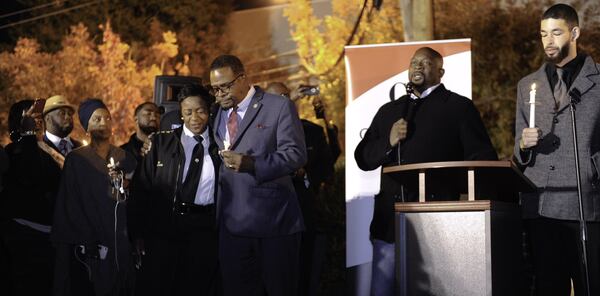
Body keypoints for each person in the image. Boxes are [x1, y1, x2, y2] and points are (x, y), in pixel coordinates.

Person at [354, 47, 497, 296]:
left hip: (438, 225)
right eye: (414, 62)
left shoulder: (458, 107)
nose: (418, 66)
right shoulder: (390, 111)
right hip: (389, 225)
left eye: (426, 62)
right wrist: (387, 142)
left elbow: (482, 159)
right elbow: (362, 158)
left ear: (440, 72)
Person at [514, 4, 600, 295]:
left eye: (556, 33)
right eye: (543, 34)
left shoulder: (598, 81)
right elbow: (518, 151)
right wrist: (523, 145)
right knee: (549, 287)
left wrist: (593, 167)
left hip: (586, 203)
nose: (548, 41)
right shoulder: (527, 86)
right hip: (540, 205)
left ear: (574, 32)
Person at [209, 54, 307, 296]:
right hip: (232, 227)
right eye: (214, 89)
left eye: (225, 86)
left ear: (242, 78)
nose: (219, 94)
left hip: (274, 224)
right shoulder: (216, 113)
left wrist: (252, 164)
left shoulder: (278, 106)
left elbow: (295, 154)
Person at [128, 85, 221, 296]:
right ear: (181, 114)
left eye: (200, 111)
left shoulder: (220, 146)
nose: (194, 117)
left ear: (209, 111)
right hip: (165, 229)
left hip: (205, 231)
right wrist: (137, 233)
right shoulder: (160, 143)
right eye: (188, 112)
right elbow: (141, 190)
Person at [51, 99, 136, 296]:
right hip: (91, 241)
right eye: (97, 119)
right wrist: (85, 238)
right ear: (86, 126)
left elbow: (134, 199)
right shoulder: (77, 159)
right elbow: (70, 203)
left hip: (119, 241)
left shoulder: (125, 157)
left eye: (107, 118)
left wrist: (125, 187)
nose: (103, 123)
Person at [1, 96, 81, 295]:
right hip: (24, 236)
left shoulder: (45, 150)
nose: (36, 120)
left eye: (38, 116)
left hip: (52, 234)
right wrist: (27, 134)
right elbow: (30, 174)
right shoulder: (14, 151)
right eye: (30, 116)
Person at [265, 81, 339, 296]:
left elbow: (327, 165)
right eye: (276, 99)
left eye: (285, 97)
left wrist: (305, 174)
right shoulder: (256, 132)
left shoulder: (312, 131)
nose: (283, 103)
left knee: (302, 271)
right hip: (267, 216)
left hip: (303, 212)